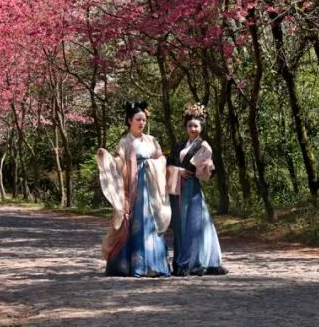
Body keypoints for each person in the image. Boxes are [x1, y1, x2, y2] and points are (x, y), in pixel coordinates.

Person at [96, 100, 171, 277]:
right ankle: (138, 265)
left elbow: (161, 159)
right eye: (138, 119)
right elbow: (119, 163)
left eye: (144, 120)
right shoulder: (125, 142)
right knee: (135, 224)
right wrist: (107, 158)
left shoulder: (152, 140)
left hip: (152, 187)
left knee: (152, 224)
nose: (141, 123)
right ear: (130, 120)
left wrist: (153, 164)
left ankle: (156, 265)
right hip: (134, 188)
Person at [167, 103, 227, 276]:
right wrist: (178, 170)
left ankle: (193, 262)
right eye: (190, 125)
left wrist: (205, 168)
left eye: (196, 126)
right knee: (179, 225)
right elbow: (170, 163)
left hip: (192, 188)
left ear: (201, 128)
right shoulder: (179, 146)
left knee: (194, 224)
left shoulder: (204, 147)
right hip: (177, 187)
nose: (192, 128)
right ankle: (179, 262)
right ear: (185, 127)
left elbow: (203, 172)